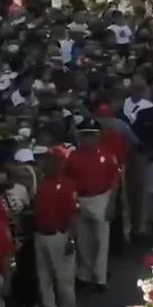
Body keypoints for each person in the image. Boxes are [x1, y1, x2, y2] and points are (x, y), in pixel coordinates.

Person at [64, 119, 118, 292]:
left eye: (92, 135)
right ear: (80, 137)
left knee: (101, 239)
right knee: (83, 239)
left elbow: (115, 180)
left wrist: (111, 203)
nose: (89, 138)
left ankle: (100, 277)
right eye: (85, 135)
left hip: (101, 197)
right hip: (80, 198)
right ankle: (85, 275)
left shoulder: (107, 154)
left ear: (98, 136)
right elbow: (68, 180)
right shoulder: (73, 156)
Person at [33, 148, 77, 307]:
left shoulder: (66, 184)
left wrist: (71, 239)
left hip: (59, 235)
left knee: (63, 278)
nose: (46, 164)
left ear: (59, 164)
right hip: (41, 234)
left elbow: (73, 214)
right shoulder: (42, 183)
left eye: (50, 161)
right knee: (44, 277)